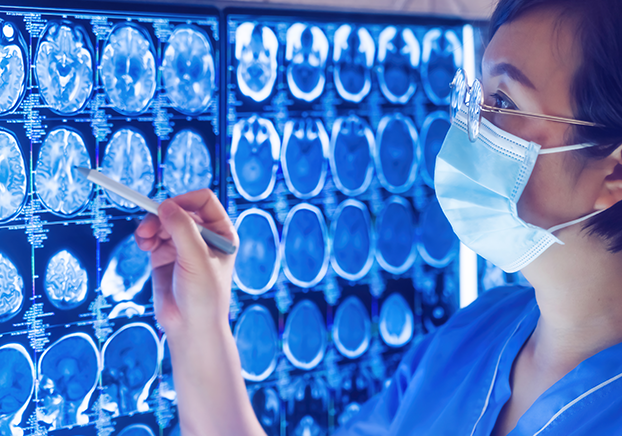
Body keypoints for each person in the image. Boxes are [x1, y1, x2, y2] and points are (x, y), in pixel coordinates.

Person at [135, 0, 622, 434]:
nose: (468, 129)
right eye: (477, 98)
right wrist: (196, 321)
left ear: (613, 174)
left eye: (502, 103)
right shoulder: (474, 338)